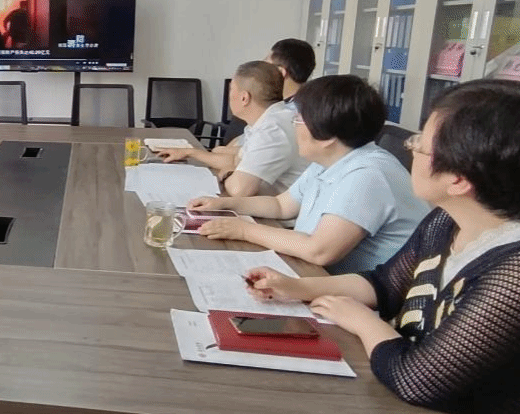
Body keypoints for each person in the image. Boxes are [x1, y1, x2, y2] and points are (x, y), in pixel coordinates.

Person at [245, 80, 520, 414]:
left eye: (419, 144)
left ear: (459, 179)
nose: (410, 149)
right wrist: (299, 288)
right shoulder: (450, 219)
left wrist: (363, 322)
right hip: (448, 410)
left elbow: (417, 381)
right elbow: (385, 284)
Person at [189, 75, 427, 274]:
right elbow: (281, 206)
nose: (294, 125)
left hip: (362, 299)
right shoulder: (331, 159)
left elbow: (319, 250)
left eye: (298, 119)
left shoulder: (368, 175)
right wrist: (224, 204)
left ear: (327, 137)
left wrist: (243, 230)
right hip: (318, 276)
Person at [158, 61, 309, 196]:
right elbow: (235, 160)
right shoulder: (265, 120)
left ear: (244, 98)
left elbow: (239, 190)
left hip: (277, 216)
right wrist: (189, 152)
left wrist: (228, 173)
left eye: (231, 90)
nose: (229, 96)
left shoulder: (272, 130)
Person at [217, 38, 318, 146]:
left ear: (281, 72)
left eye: (266, 66)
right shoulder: (298, 104)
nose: (261, 71)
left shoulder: (292, 115)